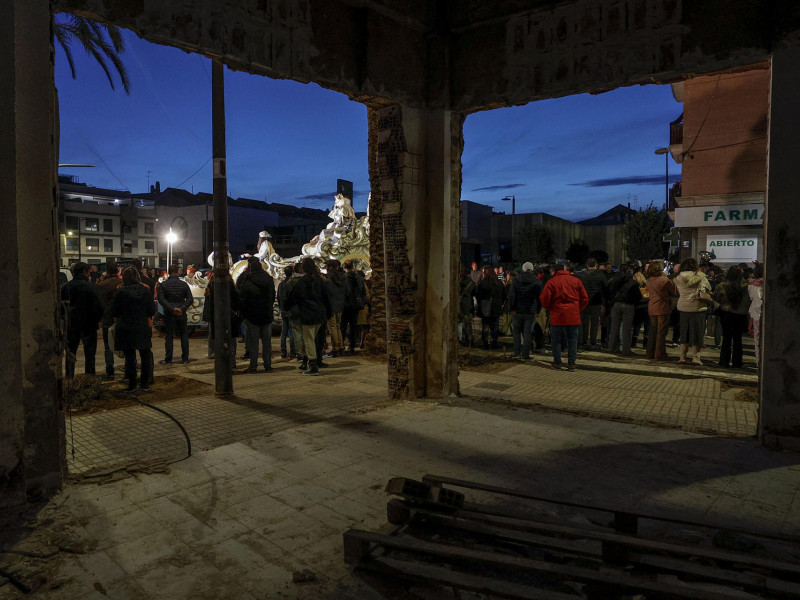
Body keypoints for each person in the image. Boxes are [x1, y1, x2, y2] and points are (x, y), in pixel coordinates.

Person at [110, 266, 156, 392]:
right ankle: (145, 384)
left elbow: (114, 311)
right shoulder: (145, 290)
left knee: (130, 357)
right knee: (145, 355)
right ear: (137, 276)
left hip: (125, 327)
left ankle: (132, 385)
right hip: (142, 326)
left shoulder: (120, 291)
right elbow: (152, 310)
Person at [284, 257, 332, 376]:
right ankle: (305, 362)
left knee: (309, 340)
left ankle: (313, 366)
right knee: (309, 338)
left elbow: (293, 297)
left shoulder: (303, 282)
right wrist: (329, 313)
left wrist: (286, 307)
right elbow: (327, 297)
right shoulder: (320, 280)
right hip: (320, 315)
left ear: (303, 268)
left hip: (308, 314)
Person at [540, 263, 588, 370]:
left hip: (557, 314)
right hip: (573, 315)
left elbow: (544, 299)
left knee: (556, 340)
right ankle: (571, 363)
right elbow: (585, 298)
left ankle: (557, 362)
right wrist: (577, 309)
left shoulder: (551, 282)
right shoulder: (576, 281)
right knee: (572, 340)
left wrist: (549, 308)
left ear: (554, 271)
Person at [61, 262, 104, 378]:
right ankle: (89, 379)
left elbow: (60, 309)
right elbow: (100, 306)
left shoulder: (66, 287)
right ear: (85, 272)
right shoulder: (92, 287)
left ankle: (69, 379)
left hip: (71, 325)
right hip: (89, 325)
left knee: (71, 354)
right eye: (89, 272)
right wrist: (97, 319)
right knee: (90, 355)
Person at [237, 256, 276, 373]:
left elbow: (243, 299)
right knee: (267, 342)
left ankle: (253, 365)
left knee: (253, 342)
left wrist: (244, 313)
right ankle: (268, 365)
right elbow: (272, 296)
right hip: (267, 315)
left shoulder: (247, 281)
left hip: (252, 316)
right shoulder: (269, 279)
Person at [673, 258, 711, 365]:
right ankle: (696, 358)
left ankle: (682, 357)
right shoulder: (700, 276)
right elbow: (708, 288)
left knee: (684, 332)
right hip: (697, 307)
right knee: (697, 332)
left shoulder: (678, 277)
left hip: (683, 307)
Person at [714, 266, 752, 369]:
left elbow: (717, 298)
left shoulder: (722, 286)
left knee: (726, 338)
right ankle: (737, 362)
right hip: (740, 315)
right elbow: (748, 301)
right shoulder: (746, 287)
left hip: (726, 313)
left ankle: (724, 361)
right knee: (738, 339)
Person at [157, 264, 193, 364]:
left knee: (169, 336)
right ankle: (185, 358)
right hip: (181, 313)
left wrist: (172, 309)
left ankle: (168, 359)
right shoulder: (183, 284)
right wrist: (182, 308)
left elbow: (161, 299)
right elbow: (190, 299)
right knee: (184, 335)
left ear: (169, 272)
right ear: (177, 272)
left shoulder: (164, 284)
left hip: (169, 313)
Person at [508, 262, 543, 360]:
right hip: (531, 311)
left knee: (516, 332)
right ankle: (525, 354)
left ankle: (516, 353)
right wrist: (538, 310)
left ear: (523, 270)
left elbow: (512, 296)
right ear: (532, 270)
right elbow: (540, 298)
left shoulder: (516, 280)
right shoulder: (537, 281)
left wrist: (512, 308)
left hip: (517, 310)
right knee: (528, 333)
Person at [645, 261, 677, 361]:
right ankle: (659, 354)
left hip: (652, 307)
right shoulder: (664, 280)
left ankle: (650, 352)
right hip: (662, 307)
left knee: (653, 330)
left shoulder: (648, 280)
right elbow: (675, 293)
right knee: (661, 332)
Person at [606, 264, 640, 356]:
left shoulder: (613, 280)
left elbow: (608, 292)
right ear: (629, 270)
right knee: (626, 328)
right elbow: (637, 296)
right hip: (628, 305)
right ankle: (626, 349)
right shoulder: (632, 282)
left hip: (615, 304)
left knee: (614, 327)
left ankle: (612, 347)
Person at [96, 261, 122, 379]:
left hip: (106, 317)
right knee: (127, 344)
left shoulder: (101, 284)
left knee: (108, 346)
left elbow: (98, 303)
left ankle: (110, 370)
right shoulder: (122, 283)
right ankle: (130, 368)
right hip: (122, 318)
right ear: (117, 270)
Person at [578, 258, 607, 349]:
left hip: (584, 301)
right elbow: (605, 288)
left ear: (587, 265)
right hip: (596, 301)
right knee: (595, 322)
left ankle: (583, 341)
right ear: (596, 265)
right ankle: (593, 341)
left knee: (584, 322)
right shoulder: (600, 275)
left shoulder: (581, 275)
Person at [475, 265, 504, 349]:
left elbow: (479, 296)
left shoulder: (483, 283)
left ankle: (485, 342)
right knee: (495, 325)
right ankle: (494, 342)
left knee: (485, 324)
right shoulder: (499, 283)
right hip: (496, 307)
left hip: (485, 308)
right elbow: (504, 295)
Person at [341, 259, 365, 353]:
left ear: (344, 267)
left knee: (343, 326)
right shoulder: (359, 277)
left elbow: (347, 292)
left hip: (347, 305)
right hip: (356, 305)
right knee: (353, 325)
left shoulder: (345, 278)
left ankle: (342, 345)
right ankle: (352, 346)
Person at [324, 259, 346, 357]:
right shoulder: (343, 277)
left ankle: (335, 349)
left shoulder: (329, 278)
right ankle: (341, 347)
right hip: (340, 305)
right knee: (338, 326)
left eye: (327, 266)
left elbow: (328, 293)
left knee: (332, 327)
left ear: (330, 267)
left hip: (332, 306)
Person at [277, 265, 297, 359]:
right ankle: (293, 352)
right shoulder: (292, 283)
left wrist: (281, 308)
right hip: (291, 310)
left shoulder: (281, 284)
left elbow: (278, 297)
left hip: (283, 310)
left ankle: (283, 351)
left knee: (284, 332)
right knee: (292, 332)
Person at [748, 264, 764, 366]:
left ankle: (759, 363)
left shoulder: (751, 285)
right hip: (769, 316)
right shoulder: (770, 283)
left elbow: (752, 298)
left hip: (756, 315)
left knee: (757, 341)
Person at [630, 269, 650, 350]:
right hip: (647, 307)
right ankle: (645, 344)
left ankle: (634, 343)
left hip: (638, 308)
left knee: (637, 326)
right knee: (647, 326)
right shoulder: (647, 286)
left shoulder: (635, 286)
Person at [458, 267, 476, 346]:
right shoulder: (470, 282)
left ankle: (461, 339)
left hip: (460, 304)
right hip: (467, 304)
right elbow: (475, 292)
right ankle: (469, 338)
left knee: (460, 322)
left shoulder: (456, 281)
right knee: (467, 322)